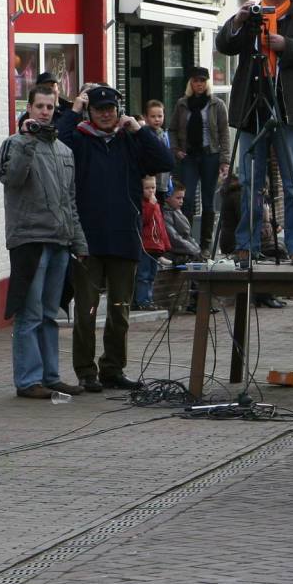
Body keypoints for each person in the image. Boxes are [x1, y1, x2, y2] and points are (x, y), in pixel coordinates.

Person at [57, 85, 175, 391]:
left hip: (124, 238)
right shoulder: (79, 140)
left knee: (120, 310)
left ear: (118, 110)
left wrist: (140, 130)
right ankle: (86, 372)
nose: (106, 114)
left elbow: (165, 161)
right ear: (90, 112)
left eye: (110, 109)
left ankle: (113, 369)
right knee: (87, 311)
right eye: (99, 110)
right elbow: (58, 140)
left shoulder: (130, 140)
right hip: (88, 241)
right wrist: (73, 110)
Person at [216, 0, 293, 268]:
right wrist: (237, 21)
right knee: (250, 183)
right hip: (251, 110)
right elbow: (225, 45)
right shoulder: (251, 16)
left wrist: (286, 45)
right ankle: (247, 246)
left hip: (289, 111)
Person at [0, 85, 87, 399]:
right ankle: (28, 380)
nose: (45, 112)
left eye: (50, 107)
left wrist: (79, 243)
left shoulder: (65, 151)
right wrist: (27, 142)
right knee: (30, 313)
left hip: (60, 242)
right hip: (29, 241)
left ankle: (51, 376)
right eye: (40, 106)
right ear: (29, 108)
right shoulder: (14, 143)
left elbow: (70, 202)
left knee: (50, 314)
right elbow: (11, 180)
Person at [171, 68, 230, 254]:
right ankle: (186, 241)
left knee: (208, 200)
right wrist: (176, 149)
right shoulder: (182, 104)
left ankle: (205, 245)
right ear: (191, 83)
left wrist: (225, 160)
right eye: (196, 81)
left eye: (203, 81)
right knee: (187, 198)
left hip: (210, 155)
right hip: (189, 156)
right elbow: (172, 129)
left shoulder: (217, 104)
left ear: (207, 83)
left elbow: (224, 133)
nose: (199, 84)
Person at [133, 176, 171, 311]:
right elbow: (144, 220)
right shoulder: (143, 204)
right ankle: (142, 300)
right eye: (147, 188)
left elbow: (161, 226)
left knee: (152, 275)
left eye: (153, 187)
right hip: (146, 246)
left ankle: (149, 299)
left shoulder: (156, 204)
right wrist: (151, 205)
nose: (151, 191)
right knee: (143, 275)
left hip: (155, 246)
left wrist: (165, 244)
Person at [161, 182, 202, 263]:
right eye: (178, 198)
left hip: (184, 249)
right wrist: (194, 250)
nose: (181, 201)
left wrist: (197, 250)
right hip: (173, 252)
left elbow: (187, 236)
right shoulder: (165, 214)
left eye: (182, 198)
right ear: (167, 198)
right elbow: (173, 237)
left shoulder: (177, 211)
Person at [144, 100, 173, 198]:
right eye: (153, 116)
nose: (157, 119)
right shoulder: (146, 135)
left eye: (160, 116)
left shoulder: (164, 134)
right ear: (146, 117)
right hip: (151, 185)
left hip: (163, 183)